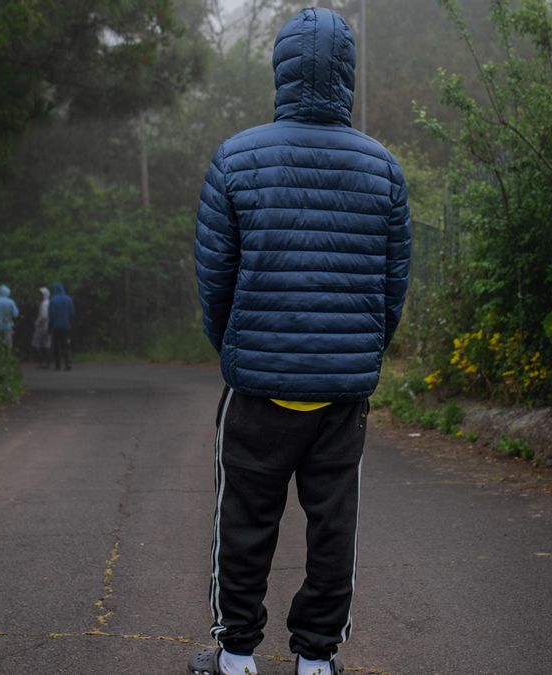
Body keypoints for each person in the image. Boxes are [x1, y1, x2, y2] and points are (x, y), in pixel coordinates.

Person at [188, 8, 411, 675]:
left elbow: (213, 281)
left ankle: (235, 655)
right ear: (346, 74)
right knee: (333, 524)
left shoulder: (235, 157)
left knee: (246, 519)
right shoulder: (384, 170)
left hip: (258, 386)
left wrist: (235, 348)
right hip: (340, 394)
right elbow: (391, 289)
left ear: (281, 69)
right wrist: (360, 351)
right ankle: (316, 660)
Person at [47, 281, 74, 371]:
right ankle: (68, 363)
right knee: (66, 345)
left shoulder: (53, 300)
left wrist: (49, 328)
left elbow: (51, 315)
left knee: (56, 346)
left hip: (56, 326)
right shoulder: (68, 299)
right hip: (66, 325)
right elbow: (71, 313)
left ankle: (58, 365)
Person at [31, 286, 52, 368]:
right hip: (48, 326)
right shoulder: (49, 302)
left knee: (36, 343)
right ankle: (47, 362)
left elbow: (43, 316)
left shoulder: (44, 304)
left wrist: (37, 323)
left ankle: (42, 361)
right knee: (46, 344)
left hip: (42, 327)